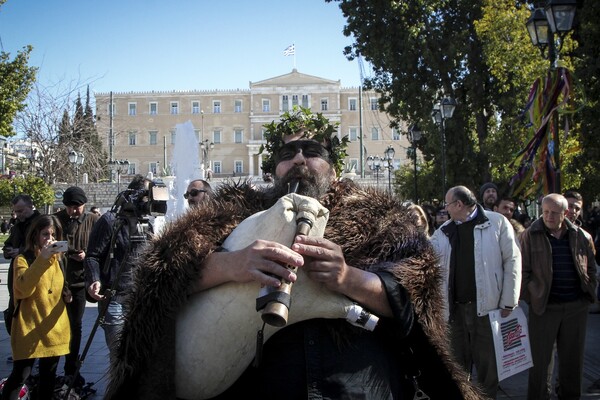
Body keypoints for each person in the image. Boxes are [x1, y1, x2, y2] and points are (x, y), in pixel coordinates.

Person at [103, 108, 483, 399]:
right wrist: (232, 264)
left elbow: (413, 298)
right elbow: (163, 279)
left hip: (355, 386)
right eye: (288, 153)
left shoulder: (384, 219)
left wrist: (347, 277)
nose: (299, 159)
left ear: (334, 167)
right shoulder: (229, 214)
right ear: (274, 169)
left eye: (312, 151)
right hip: (260, 385)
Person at [430, 185, 521, 399]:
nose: (446, 209)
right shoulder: (444, 231)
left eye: (447, 204)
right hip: (455, 312)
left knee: (488, 368)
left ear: (459, 204)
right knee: (457, 368)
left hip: (487, 310)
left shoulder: (496, 223)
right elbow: (427, 254)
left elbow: (512, 260)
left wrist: (509, 299)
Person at [519, 193, 597, 400]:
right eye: (545, 212)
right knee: (540, 363)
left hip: (575, 307)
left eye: (554, 213)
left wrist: (587, 291)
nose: (549, 216)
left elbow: (591, 268)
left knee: (572, 362)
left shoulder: (581, 236)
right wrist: (532, 297)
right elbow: (522, 272)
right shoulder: (529, 235)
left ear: (565, 213)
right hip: (544, 308)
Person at [84, 175, 158, 364]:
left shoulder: (145, 224)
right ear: (134, 195)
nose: (149, 201)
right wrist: (94, 279)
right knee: (120, 356)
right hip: (114, 299)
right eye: (147, 196)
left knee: (139, 354)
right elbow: (92, 255)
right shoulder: (110, 221)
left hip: (138, 300)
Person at [1, 215, 71, 400]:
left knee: (48, 379)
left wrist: (67, 294)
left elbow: (56, 286)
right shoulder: (23, 259)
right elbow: (22, 289)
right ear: (35, 236)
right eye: (45, 235)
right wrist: (42, 259)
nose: (50, 240)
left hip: (53, 329)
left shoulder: (59, 260)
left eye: (53, 235)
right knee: (19, 376)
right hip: (29, 328)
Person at [54, 186, 100, 389]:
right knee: (55, 326)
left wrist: (86, 253)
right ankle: (50, 367)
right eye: (69, 207)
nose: (73, 211)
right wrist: (68, 251)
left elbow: (101, 246)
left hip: (80, 281)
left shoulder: (93, 220)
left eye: (77, 207)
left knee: (75, 325)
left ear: (84, 205)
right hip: (57, 281)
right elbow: (48, 244)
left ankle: (71, 369)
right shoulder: (56, 220)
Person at [2, 195, 41, 260]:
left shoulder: (42, 222)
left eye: (20, 211)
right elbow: (8, 243)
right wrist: (8, 251)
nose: (17, 214)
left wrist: (21, 251)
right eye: (15, 211)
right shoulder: (17, 225)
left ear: (31, 207)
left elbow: (44, 246)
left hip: (35, 266)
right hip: (17, 267)